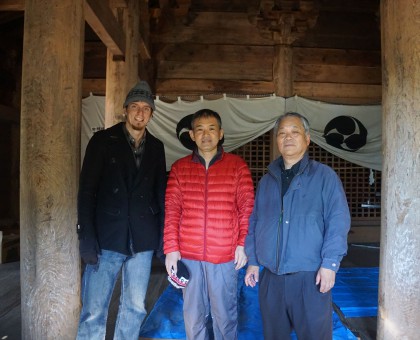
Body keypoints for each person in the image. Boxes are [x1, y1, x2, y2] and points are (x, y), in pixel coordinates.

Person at [245, 112, 350, 340]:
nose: (288, 137)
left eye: (295, 132)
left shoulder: (324, 177)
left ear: (308, 138)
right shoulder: (267, 180)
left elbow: (338, 219)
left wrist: (330, 264)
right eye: (282, 133)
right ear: (276, 140)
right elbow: (254, 221)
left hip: (310, 277)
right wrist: (253, 261)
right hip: (271, 277)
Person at [76, 81, 167, 340]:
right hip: (107, 236)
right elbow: (87, 192)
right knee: (94, 310)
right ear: (125, 110)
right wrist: (86, 237)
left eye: (146, 108)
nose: (140, 113)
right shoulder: (103, 141)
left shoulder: (157, 147)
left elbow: (160, 193)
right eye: (135, 107)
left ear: (151, 114)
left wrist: (162, 238)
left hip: (143, 238)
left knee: (135, 308)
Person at [164, 109, 255, 340]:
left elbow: (247, 209)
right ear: (192, 135)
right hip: (189, 255)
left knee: (225, 315)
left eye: (211, 129)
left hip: (224, 256)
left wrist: (243, 243)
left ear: (221, 133)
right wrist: (171, 249)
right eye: (200, 130)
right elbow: (172, 210)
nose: (206, 135)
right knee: (193, 316)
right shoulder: (179, 168)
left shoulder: (237, 166)